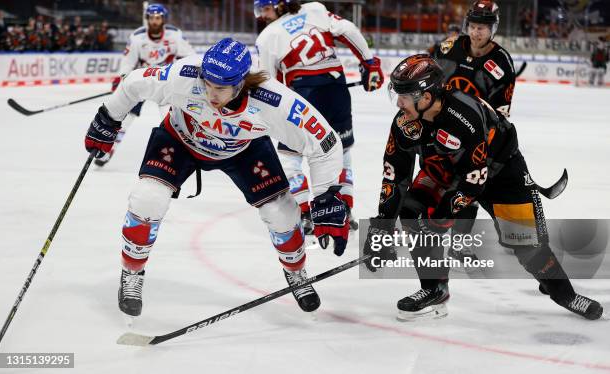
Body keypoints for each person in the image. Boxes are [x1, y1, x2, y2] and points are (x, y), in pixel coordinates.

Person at [83, 38, 351, 318]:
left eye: (220, 88)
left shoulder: (275, 101)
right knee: (147, 199)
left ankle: (296, 272)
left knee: (283, 214)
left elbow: (326, 142)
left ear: (241, 83)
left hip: (244, 149)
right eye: (206, 84)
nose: (211, 94)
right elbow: (132, 83)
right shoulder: (183, 74)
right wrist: (108, 118)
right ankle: (132, 272)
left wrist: (325, 196)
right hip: (180, 138)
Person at [363, 54, 603, 321]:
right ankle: (434, 290)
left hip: (501, 171)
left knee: (527, 245)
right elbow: (394, 177)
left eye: (404, 96)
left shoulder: (463, 116)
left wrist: (441, 217)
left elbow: (473, 181)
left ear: (427, 97)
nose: (398, 103)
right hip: (444, 171)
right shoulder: (404, 123)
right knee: (411, 214)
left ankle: (564, 293)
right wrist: (381, 227)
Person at [254, 0, 384, 233]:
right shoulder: (314, 8)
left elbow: (269, 84)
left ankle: (305, 213)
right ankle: (344, 209)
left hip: (305, 96)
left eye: (265, 9)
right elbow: (348, 31)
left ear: (280, 6)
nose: (262, 15)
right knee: (341, 151)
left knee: (289, 156)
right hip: (337, 89)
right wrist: (369, 63)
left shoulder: (267, 36)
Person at [430, 0, 517, 262]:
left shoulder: (501, 62)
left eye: (483, 27)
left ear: (494, 29)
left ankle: (460, 244)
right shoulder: (449, 47)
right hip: (440, 129)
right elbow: (428, 79)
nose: (477, 32)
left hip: (475, 136)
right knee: (434, 183)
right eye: (473, 26)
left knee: (472, 191)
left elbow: (500, 113)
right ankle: (425, 236)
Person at [96, 3, 196, 167]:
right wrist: (121, 79)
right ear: (147, 19)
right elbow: (128, 63)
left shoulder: (175, 36)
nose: (155, 21)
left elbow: (190, 57)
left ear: (163, 19)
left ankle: (179, 155)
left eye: (158, 18)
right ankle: (108, 149)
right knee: (125, 117)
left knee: (171, 119)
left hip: (166, 81)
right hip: (141, 80)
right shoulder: (137, 38)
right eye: (152, 18)